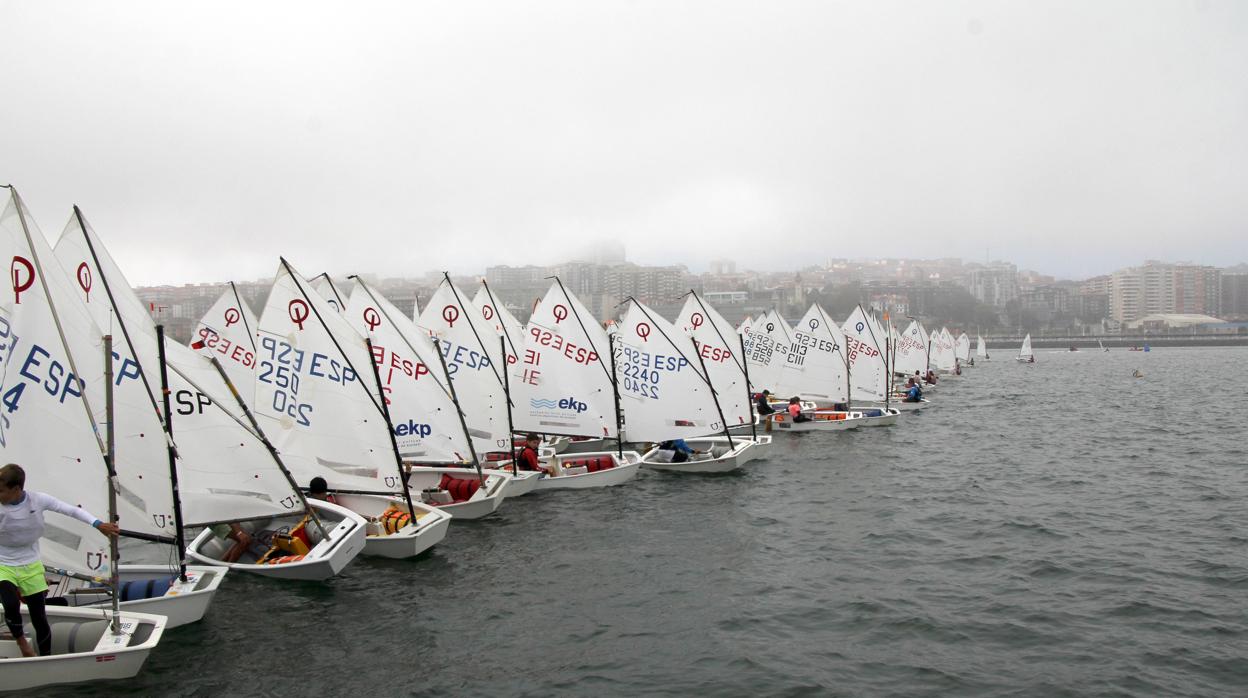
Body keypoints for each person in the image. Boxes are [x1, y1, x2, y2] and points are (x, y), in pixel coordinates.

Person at [0, 463, 119, 658]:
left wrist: (98, 524)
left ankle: (46, 658)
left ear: (16, 489)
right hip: (2, 563)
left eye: (1, 491)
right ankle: (24, 646)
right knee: (11, 604)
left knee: (39, 616)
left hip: (30, 563)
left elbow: (71, 511)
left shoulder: (37, 500)